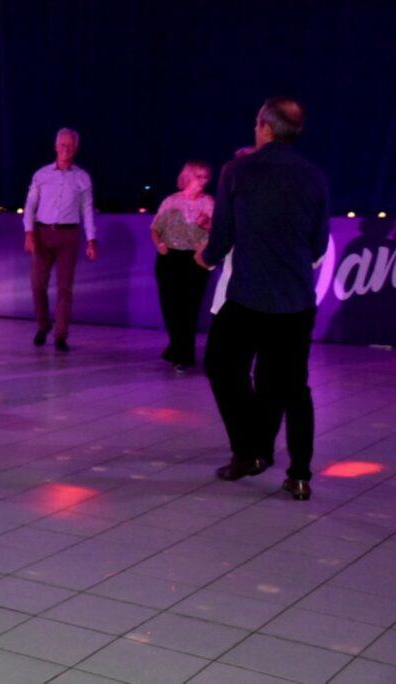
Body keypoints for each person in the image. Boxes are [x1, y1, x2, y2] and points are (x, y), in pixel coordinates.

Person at [197, 97, 329, 501]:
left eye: (257, 123)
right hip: (295, 301)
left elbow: (223, 235)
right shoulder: (314, 176)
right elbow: (318, 243)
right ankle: (299, 475)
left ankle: (248, 450)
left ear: (267, 128)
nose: (255, 129)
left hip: (249, 296)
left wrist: (206, 257)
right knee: (292, 386)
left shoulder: (237, 170)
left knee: (222, 365)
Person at [23, 128, 98, 352]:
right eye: (62, 144)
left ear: (75, 149)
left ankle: (61, 335)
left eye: (70, 145)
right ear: (56, 147)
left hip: (68, 235)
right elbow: (30, 206)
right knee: (38, 285)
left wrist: (91, 239)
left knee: (65, 288)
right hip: (43, 232)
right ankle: (43, 324)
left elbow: (87, 210)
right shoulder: (42, 175)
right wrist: (29, 233)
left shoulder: (82, 178)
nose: (66, 149)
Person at [150, 161, 214, 372]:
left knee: (189, 308)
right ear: (187, 177)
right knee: (171, 307)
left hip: (195, 260)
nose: (203, 181)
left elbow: (219, 231)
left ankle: (182, 355)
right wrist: (159, 245)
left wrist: (208, 226)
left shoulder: (209, 203)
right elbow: (155, 228)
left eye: (206, 177)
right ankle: (177, 348)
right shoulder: (171, 201)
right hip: (170, 258)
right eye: (199, 176)